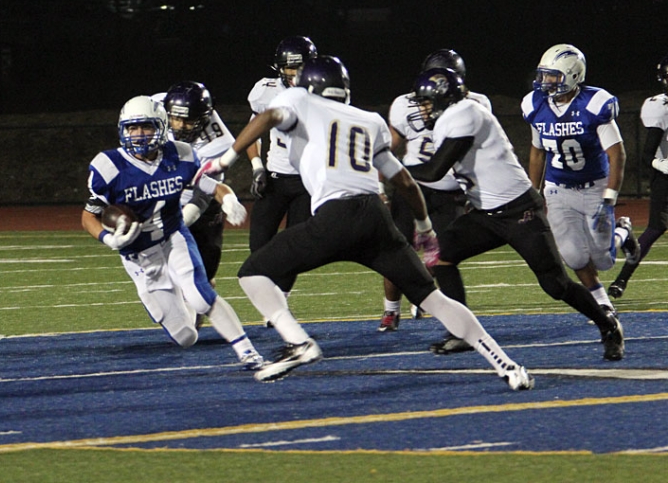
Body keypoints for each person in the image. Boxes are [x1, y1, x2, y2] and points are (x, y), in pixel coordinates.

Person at [198, 56, 533, 390]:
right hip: (376, 217)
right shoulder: (368, 120)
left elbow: (271, 115)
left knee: (251, 272)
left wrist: (226, 159)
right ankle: (506, 365)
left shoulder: (300, 99)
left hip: (334, 217)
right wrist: (426, 229)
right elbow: (404, 182)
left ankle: (299, 343)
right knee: (434, 299)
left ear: (307, 85)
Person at [403, 66, 624, 361]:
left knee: (554, 284)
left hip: (519, 211)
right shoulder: (449, 119)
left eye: (426, 101)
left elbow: (434, 170)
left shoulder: (465, 112)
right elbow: (442, 178)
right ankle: (461, 332)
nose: (422, 108)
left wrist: (390, 168)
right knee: (441, 257)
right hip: (486, 214)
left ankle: (608, 325)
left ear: (444, 97)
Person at [81, 95, 264, 370]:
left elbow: (211, 185)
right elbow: (89, 216)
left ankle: (248, 352)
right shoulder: (108, 167)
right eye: (133, 128)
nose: (139, 134)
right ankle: (176, 295)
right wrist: (110, 238)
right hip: (139, 256)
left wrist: (228, 199)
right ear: (122, 130)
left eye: (146, 127)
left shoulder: (180, 155)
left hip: (172, 237)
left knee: (202, 296)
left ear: (161, 127)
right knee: (186, 337)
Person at [379, 49, 488, 331]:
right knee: (395, 249)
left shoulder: (474, 105)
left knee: (440, 254)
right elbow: (390, 145)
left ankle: (423, 295)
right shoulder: (406, 105)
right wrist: (377, 180)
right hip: (412, 188)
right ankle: (391, 310)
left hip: (449, 191)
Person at [523, 43, 636, 316]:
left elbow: (616, 154)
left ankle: (624, 232)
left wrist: (610, 197)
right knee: (573, 255)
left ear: (573, 75)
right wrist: (532, 194)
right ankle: (602, 302)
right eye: (544, 75)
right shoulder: (536, 105)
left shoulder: (594, 104)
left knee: (604, 259)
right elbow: (537, 152)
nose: (545, 82)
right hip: (557, 188)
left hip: (594, 187)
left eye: (553, 76)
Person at [244, 36, 316, 296]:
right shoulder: (266, 91)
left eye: (299, 68)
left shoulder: (322, 88)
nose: (294, 74)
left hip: (306, 180)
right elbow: (252, 132)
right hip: (275, 176)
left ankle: (280, 300)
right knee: (258, 245)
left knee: (295, 247)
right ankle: (270, 295)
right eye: (289, 68)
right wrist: (256, 167)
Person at [155, 81, 241, 286]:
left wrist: (178, 224)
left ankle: (198, 317)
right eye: (175, 119)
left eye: (188, 121)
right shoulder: (155, 106)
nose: (180, 126)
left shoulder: (219, 145)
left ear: (203, 119)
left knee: (203, 275)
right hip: (163, 196)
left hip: (198, 204)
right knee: (164, 277)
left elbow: (204, 194)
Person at [608, 54, 668, 298]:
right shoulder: (660, 106)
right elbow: (646, 156)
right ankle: (621, 279)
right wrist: (664, 166)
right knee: (654, 229)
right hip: (665, 175)